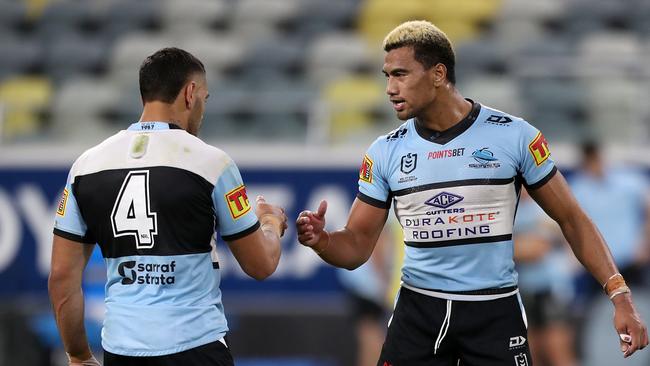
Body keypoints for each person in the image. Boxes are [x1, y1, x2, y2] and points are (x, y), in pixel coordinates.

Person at [296, 20, 648, 365]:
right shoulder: (384, 152)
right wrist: (323, 241)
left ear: (438, 74)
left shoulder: (515, 137)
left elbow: (572, 219)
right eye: (386, 76)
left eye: (400, 74)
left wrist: (620, 295)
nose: (389, 88)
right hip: (418, 313)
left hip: (494, 312)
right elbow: (357, 246)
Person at [48, 47, 287, 366]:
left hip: (122, 350)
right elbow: (261, 265)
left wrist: (78, 355)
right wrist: (270, 222)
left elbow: (62, 276)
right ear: (190, 94)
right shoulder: (211, 163)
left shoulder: (86, 166)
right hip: (195, 346)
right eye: (205, 97)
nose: (202, 106)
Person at [513, 190, 577, 366]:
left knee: (557, 352)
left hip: (550, 288)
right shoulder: (510, 210)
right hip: (522, 289)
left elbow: (535, 250)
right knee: (529, 354)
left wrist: (512, 248)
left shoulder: (544, 209)